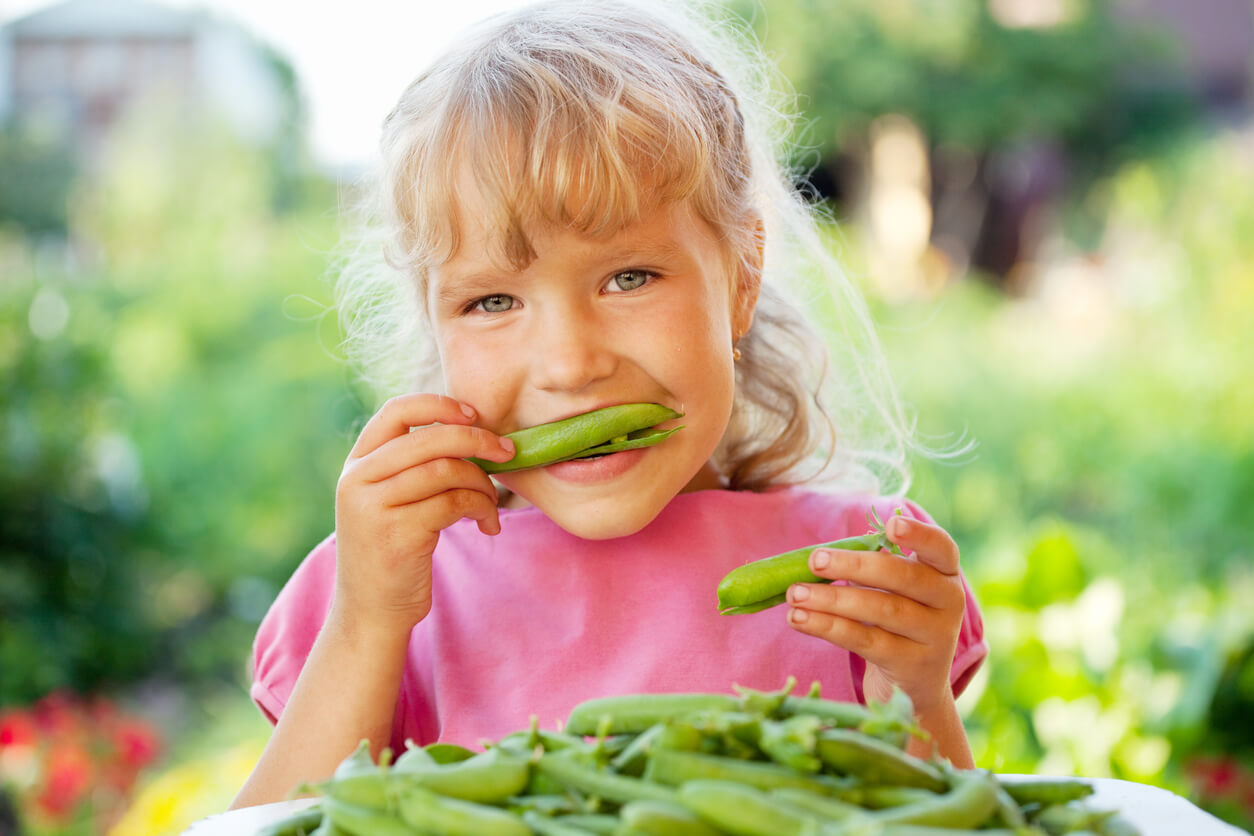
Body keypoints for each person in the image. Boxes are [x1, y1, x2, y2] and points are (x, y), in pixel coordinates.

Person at [232, 0, 987, 808]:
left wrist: (913, 697)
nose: (570, 364)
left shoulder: (850, 566)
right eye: (491, 302)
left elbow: (949, 819)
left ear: (740, 278)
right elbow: (271, 827)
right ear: (433, 324)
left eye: (629, 278)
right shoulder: (387, 592)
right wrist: (364, 623)